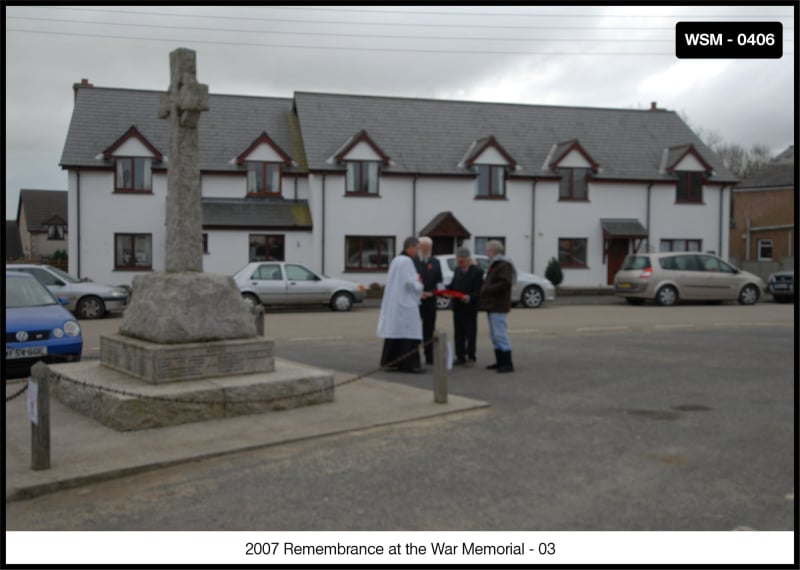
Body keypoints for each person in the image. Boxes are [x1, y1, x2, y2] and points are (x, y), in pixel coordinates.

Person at [377, 236, 424, 373]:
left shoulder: (396, 260)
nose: (417, 252)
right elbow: (410, 283)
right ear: (410, 247)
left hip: (396, 302)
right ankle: (408, 364)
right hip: (405, 303)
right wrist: (419, 284)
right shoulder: (407, 261)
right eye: (417, 248)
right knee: (408, 333)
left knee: (395, 333)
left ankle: (390, 361)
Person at [478, 240, 516, 373]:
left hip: (499, 305)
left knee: (500, 334)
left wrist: (488, 288)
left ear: (494, 251)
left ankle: (507, 363)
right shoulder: (495, 265)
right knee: (494, 334)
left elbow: (505, 283)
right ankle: (500, 361)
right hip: (492, 304)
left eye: (488, 250)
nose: (486, 253)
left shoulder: (504, 265)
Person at [448, 247, 483, 366]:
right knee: (458, 332)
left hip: (470, 307)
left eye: (462, 260)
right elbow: (452, 285)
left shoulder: (477, 271)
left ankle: (471, 355)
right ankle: (460, 355)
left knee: (470, 332)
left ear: (468, 260)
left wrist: (469, 297)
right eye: (458, 260)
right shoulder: (457, 270)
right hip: (458, 306)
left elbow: (478, 291)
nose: (460, 262)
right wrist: (446, 292)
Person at [416, 236, 443, 365]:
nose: (426, 250)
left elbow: (439, 281)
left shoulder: (435, 262)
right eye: (424, 247)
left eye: (428, 248)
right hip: (416, 301)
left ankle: (429, 356)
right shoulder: (413, 261)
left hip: (430, 300)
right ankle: (414, 356)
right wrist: (420, 293)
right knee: (415, 329)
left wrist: (434, 293)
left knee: (429, 329)